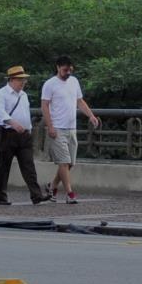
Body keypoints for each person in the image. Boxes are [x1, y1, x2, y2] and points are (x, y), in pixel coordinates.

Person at [38, 55, 100, 204]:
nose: (68, 73)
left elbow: (79, 101)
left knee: (69, 163)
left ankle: (52, 186)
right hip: (58, 128)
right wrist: (50, 126)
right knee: (64, 162)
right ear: (58, 68)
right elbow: (44, 105)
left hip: (72, 128)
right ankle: (70, 193)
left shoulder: (74, 82)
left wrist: (91, 115)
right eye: (65, 70)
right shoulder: (50, 84)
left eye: (70, 70)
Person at [0, 65, 45, 207]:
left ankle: (36, 195)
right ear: (12, 80)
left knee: (29, 165)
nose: (23, 83)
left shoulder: (24, 95)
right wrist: (13, 123)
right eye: (20, 80)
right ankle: (1, 196)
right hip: (8, 134)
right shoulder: (2, 93)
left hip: (24, 135)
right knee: (4, 166)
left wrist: (28, 128)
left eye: (24, 80)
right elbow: (0, 113)